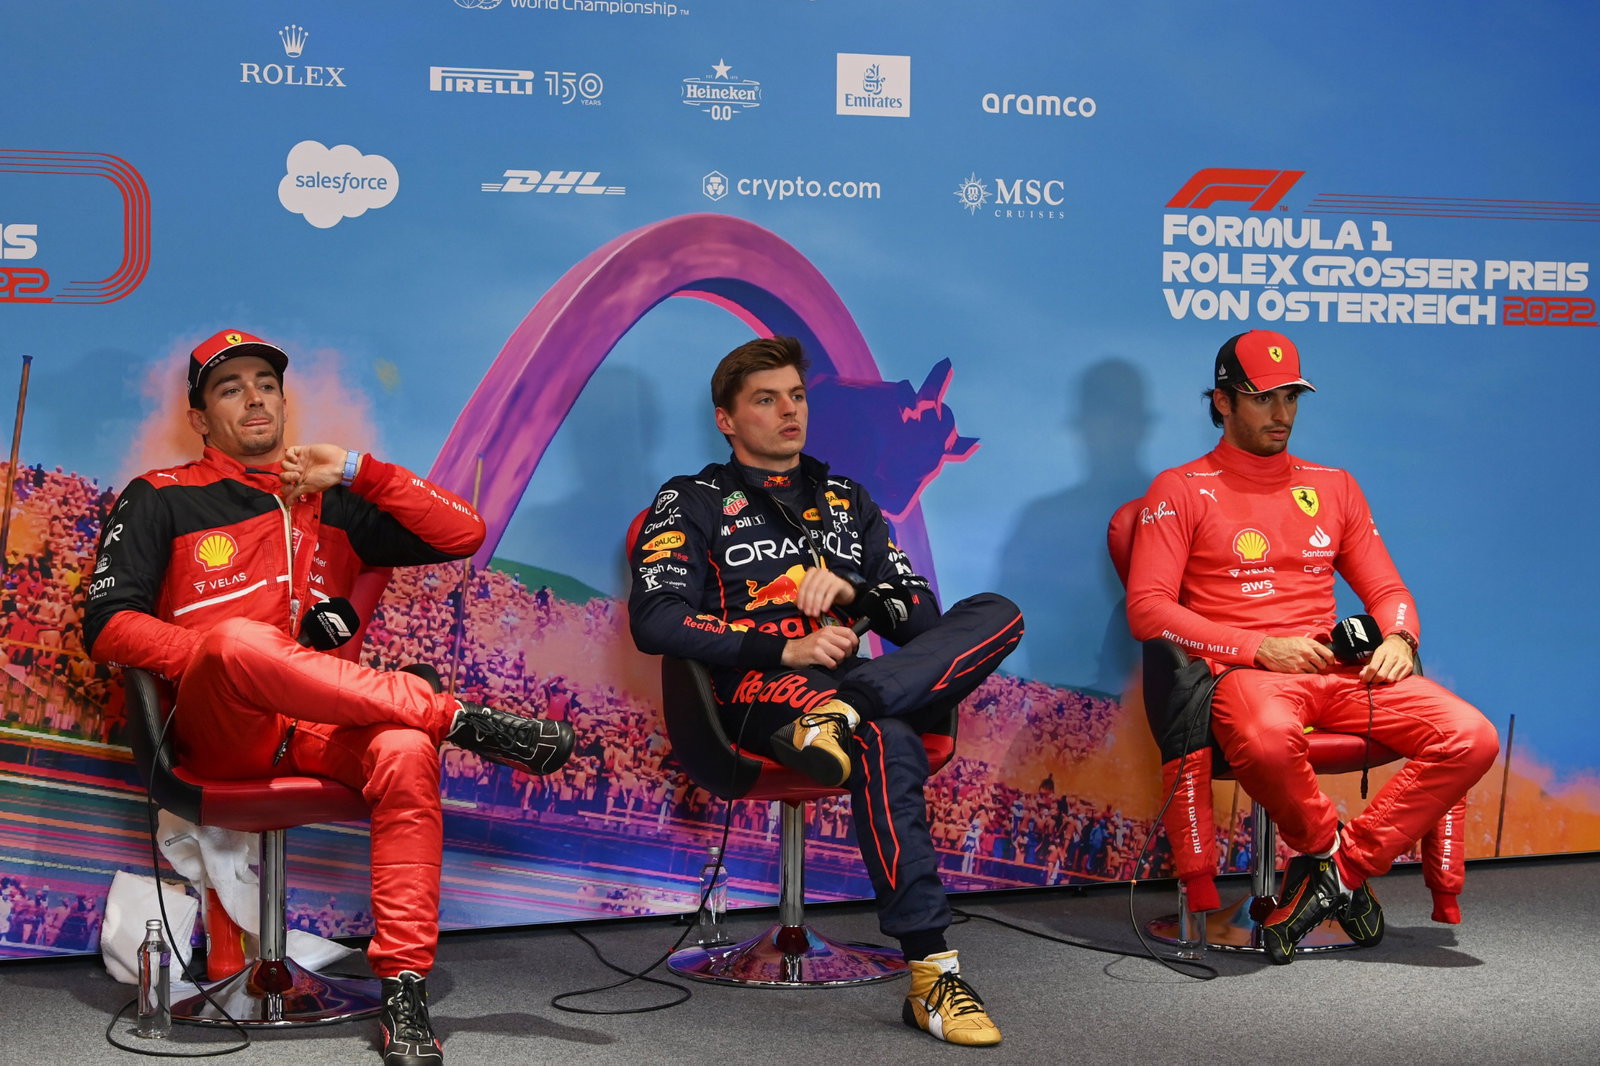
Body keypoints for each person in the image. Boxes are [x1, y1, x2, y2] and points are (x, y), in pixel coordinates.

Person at [84, 329, 576, 1066]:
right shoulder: (160, 495)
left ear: (284, 402)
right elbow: (108, 625)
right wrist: (220, 657)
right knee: (237, 640)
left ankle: (403, 989)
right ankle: (457, 716)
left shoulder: (334, 502)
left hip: (320, 722)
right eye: (230, 388)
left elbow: (464, 532)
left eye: (266, 384)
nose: (254, 398)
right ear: (200, 418)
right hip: (219, 726)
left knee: (405, 749)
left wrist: (354, 469)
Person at [628, 336, 1023, 1046]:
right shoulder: (690, 499)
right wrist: (783, 647)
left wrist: (855, 593)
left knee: (998, 611)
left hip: (849, 687)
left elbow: (920, 618)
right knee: (887, 737)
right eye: (767, 399)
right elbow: (655, 618)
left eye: (797, 396)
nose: (791, 411)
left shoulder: (849, 500)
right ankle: (934, 975)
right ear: (726, 419)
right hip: (757, 694)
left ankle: (850, 707)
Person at [1124, 329, 1498, 964]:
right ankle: (1333, 862)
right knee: (1269, 740)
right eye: (1263, 398)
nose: (1282, 413)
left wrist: (1400, 637)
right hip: (1249, 673)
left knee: (1473, 736)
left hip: (1340, 671)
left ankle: (1338, 872)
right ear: (1222, 402)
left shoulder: (1334, 485)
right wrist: (1260, 648)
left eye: (1292, 397)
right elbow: (1148, 609)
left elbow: (1388, 590)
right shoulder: (1179, 488)